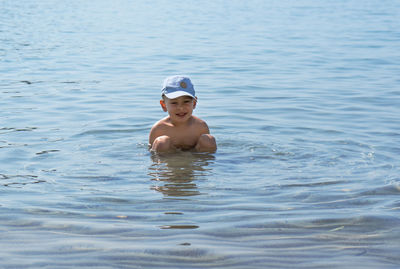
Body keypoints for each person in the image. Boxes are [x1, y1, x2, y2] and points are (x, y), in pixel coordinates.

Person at [149, 75, 217, 153]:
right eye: (174, 103)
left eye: (186, 102)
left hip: (194, 159)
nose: (180, 108)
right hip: (170, 161)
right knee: (161, 142)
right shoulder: (159, 129)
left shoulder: (200, 126)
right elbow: (151, 153)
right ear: (164, 105)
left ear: (194, 103)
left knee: (208, 140)